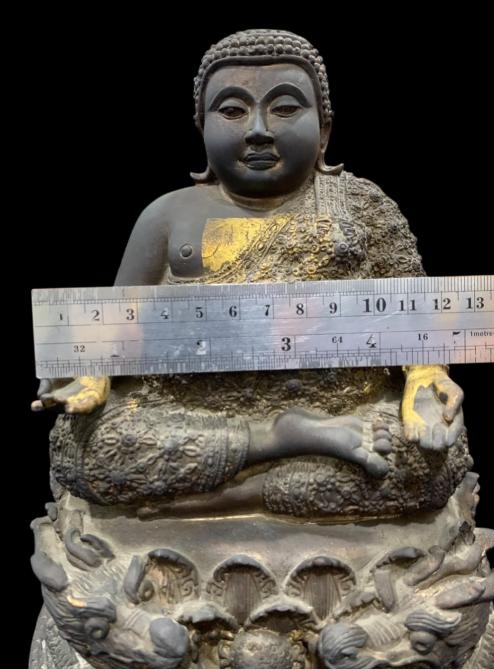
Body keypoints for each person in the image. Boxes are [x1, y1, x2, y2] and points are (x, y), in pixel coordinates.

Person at [31, 28, 466, 514]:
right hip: (184, 411)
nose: (258, 129)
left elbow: (415, 318)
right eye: (233, 110)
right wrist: (87, 370)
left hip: (348, 409)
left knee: (428, 462)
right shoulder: (168, 215)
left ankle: (221, 494)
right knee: (89, 448)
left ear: (324, 130)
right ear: (201, 128)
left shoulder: (360, 206)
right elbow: (112, 324)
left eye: (285, 108)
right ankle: (279, 441)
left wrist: (426, 378)